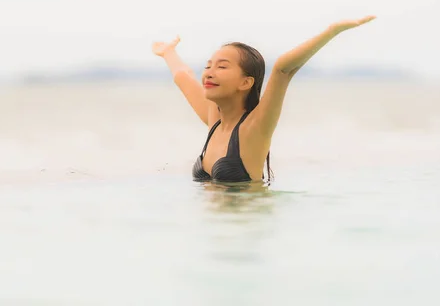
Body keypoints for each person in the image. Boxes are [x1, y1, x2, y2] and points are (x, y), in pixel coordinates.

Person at [152, 16, 376, 183]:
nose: (209, 72)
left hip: (248, 234)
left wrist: (332, 31)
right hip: (214, 236)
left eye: (222, 66)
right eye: (208, 66)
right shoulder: (215, 122)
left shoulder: (254, 129)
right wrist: (168, 52)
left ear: (246, 82)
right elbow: (184, 77)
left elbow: (283, 70)